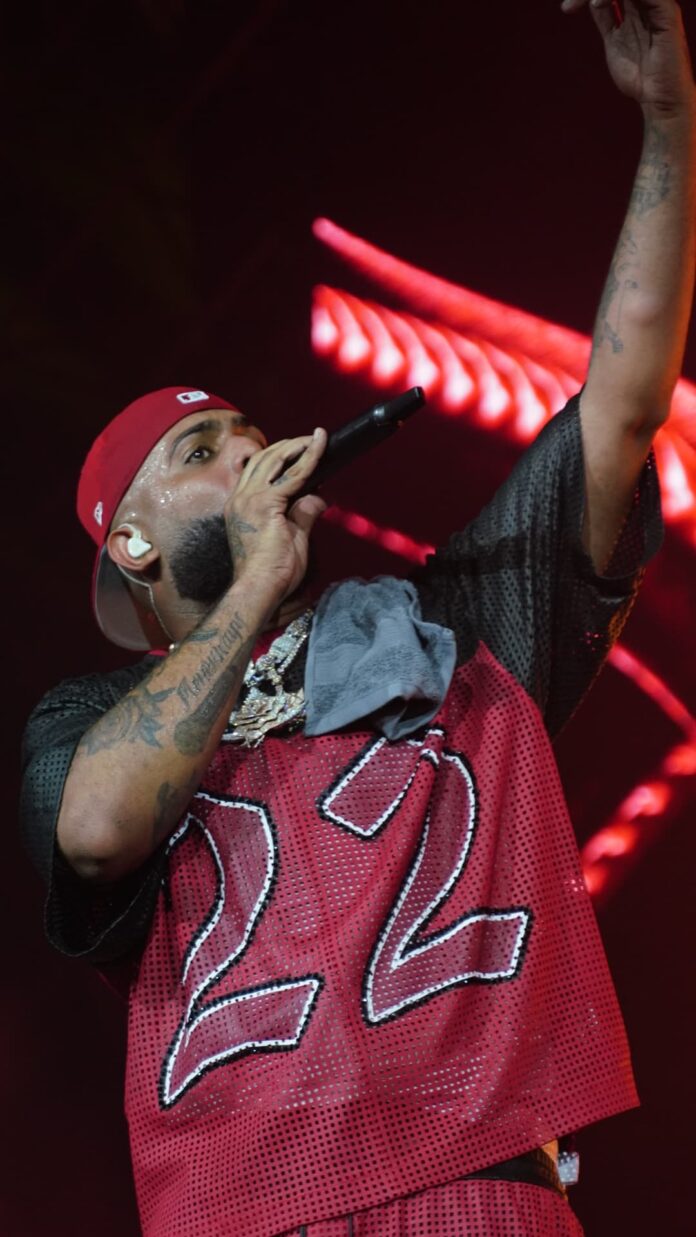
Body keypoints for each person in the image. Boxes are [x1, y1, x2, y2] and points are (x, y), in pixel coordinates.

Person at [20, 2, 695, 1234]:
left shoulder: (450, 628)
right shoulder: (89, 721)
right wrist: (255, 589)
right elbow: (102, 830)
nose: (250, 452)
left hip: (479, 1197)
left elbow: (622, 401)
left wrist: (668, 121)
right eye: (202, 451)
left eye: (248, 432)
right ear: (131, 542)